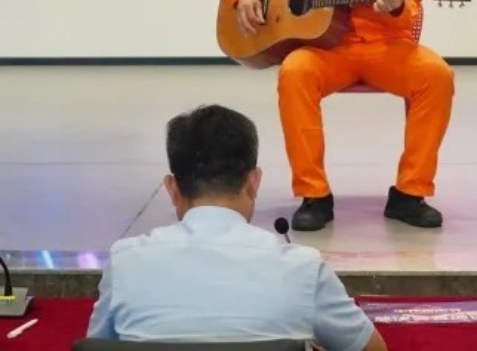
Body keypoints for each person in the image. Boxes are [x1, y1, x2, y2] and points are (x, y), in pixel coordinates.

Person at [212, 0, 455, 232]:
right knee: (295, 72)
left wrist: (394, 6)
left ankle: (410, 193)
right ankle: (314, 195)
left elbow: (409, 8)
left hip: (384, 46)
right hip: (323, 48)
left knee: (437, 75)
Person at [86, 104, 386, 349]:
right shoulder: (302, 268)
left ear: (172, 188)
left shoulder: (126, 262)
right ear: (253, 182)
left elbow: (96, 346)